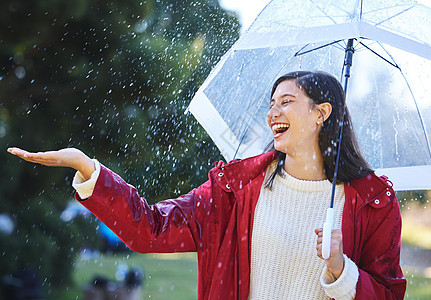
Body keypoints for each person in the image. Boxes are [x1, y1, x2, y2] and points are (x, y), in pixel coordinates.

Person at [8, 71, 406, 299]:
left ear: (322, 113)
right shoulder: (236, 190)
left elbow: (388, 294)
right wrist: (89, 170)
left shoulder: (373, 203)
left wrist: (341, 270)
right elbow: (152, 228)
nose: (273, 113)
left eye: (286, 101)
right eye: (271, 104)